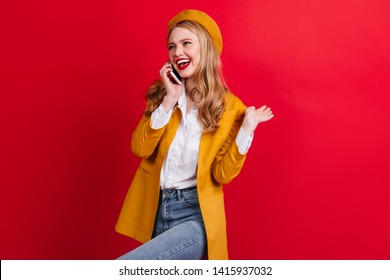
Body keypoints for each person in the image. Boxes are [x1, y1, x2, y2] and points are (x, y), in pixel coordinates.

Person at [115, 9, 274, 260]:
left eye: (186, 43)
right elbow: (140, 148)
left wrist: (247, 129)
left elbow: (222, 174)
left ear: (206, 49)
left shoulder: (231, 108)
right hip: (158, 209)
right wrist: (169, 100)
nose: (177, 52)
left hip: (196, 216)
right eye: (172, 46)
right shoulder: (161, 95)